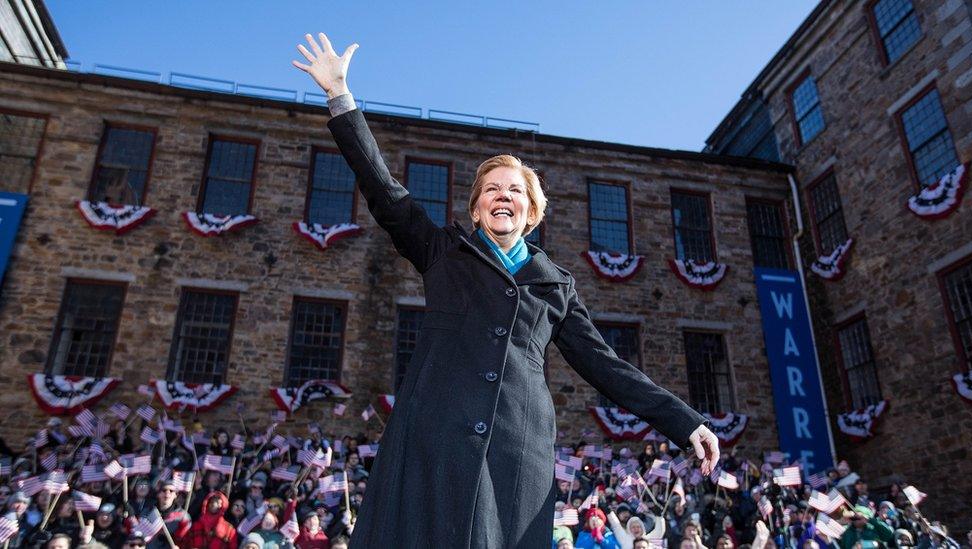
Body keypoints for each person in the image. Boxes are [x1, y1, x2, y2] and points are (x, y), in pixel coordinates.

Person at [290, 31, 720, 549]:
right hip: (435, 443)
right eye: (492, 189)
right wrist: (341, 97)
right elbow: (386, 191)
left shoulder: (556, 286)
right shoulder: (443, 252)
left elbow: (607, 366)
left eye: (515, 191)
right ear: (476, 208)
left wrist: (685, 422)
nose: (503, 196)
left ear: (531, 213)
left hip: (515, 457)